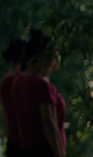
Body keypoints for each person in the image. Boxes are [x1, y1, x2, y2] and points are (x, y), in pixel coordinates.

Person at [14, 29, 66, 157]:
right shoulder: (42, 85)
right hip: (44, 149)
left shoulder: (18, 81)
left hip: (25, 148)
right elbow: (48, 122)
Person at [1, 34, 28, 157]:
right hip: (26, 140)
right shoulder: (23, 80)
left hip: (12, 139)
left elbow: (5, 113)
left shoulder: (5, 80)